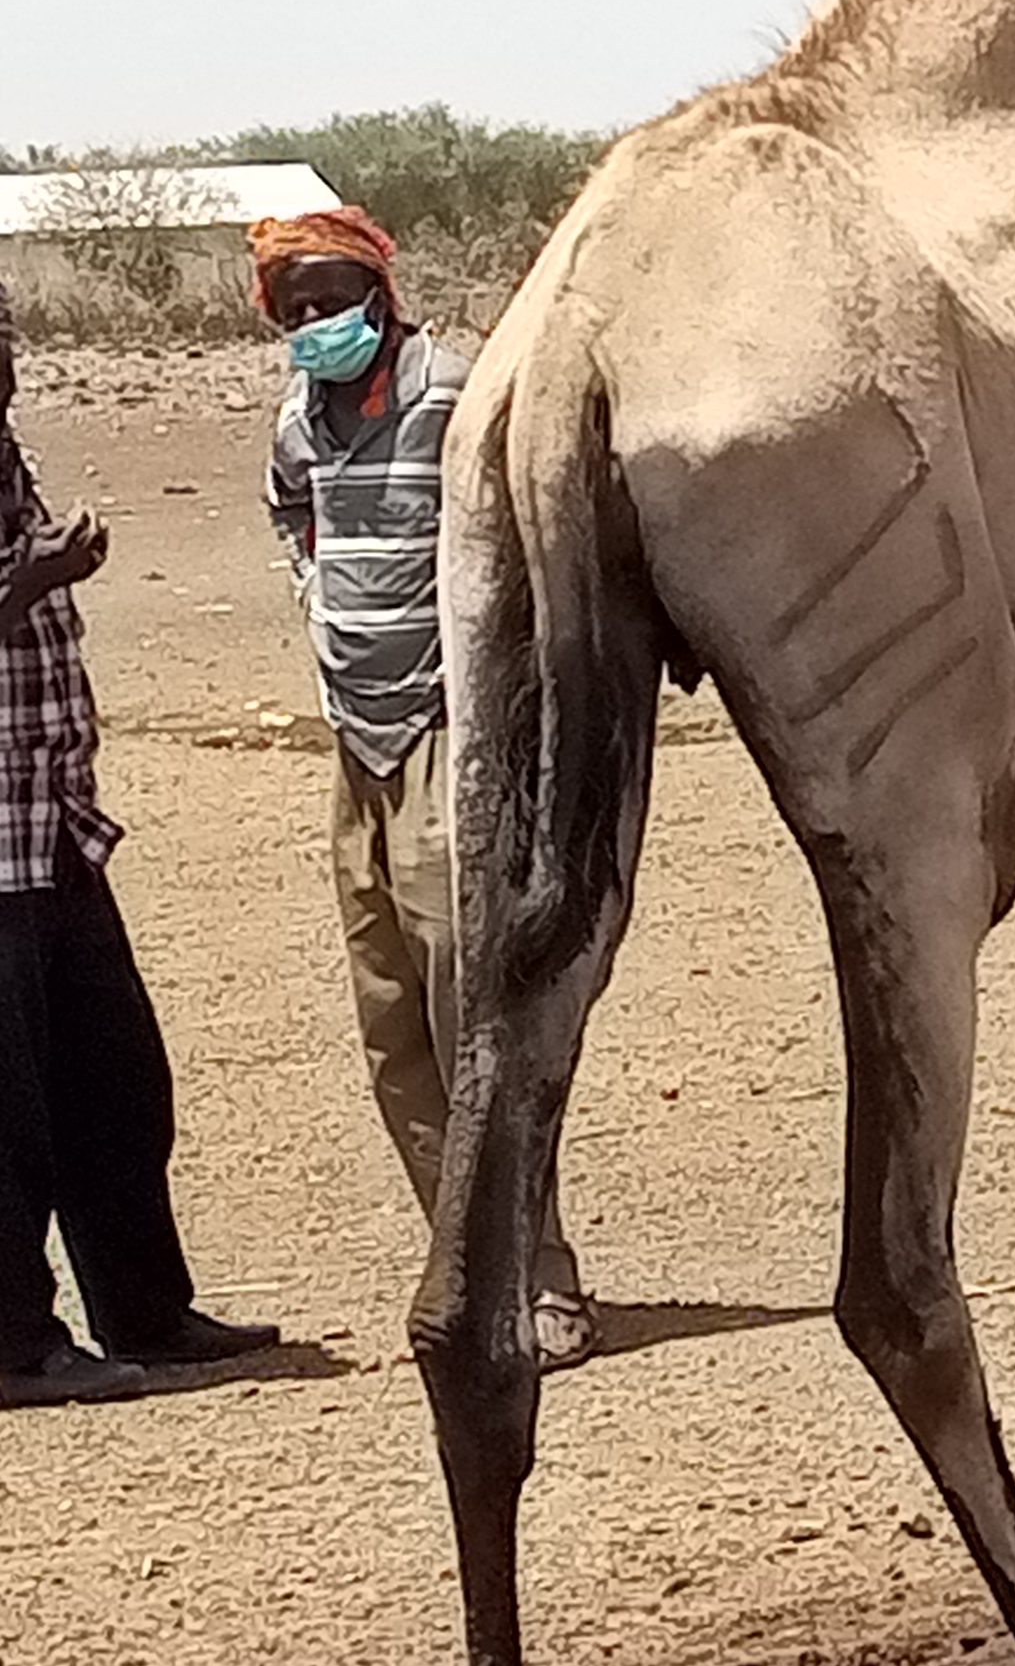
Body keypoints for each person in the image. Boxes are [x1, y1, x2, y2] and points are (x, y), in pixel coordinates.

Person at [255, 207, 594, 1368]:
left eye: (332, 299)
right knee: (393, 1022)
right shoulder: (300, 423)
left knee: (476, 1016)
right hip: (356, 745)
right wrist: (318, 600)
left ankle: (539, 1278)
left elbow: (529, 518)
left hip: (452, 733)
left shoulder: (455, 393)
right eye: (294, 310)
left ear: (381, 293)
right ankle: (466, 1272)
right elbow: (290, 512)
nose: (315, 325)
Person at [3, 280, 280, 1404]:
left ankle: (145, 1311)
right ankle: (18, 1345)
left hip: (51, 824)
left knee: (114, 1084)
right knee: (8, 1115)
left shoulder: (3, 450)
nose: (5, 364)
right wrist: (35, 579)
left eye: (4, 340)